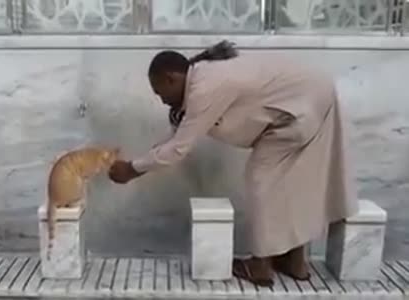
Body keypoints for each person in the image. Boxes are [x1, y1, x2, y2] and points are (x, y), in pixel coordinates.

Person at [108, 40, 358, 287]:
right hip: (308, 97)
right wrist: (144, 160)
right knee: (287, 183)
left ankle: (260, 265)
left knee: (261, 178)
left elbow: (178, 149)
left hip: (305, 103)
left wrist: (131, 169)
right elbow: (176, 137)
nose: (161, 100)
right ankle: (294, 261)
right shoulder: (201, 79)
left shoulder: (204, 88)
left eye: (160, 92)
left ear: (171, 78)